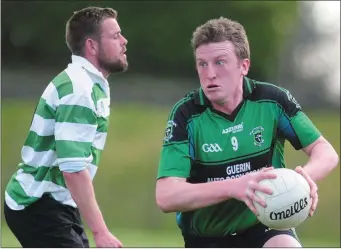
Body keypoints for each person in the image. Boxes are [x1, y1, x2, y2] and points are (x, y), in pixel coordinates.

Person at [155, 17, 339, 248]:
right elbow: (166, 196)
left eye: (220, 62)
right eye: (202, 64)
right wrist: (234, 187)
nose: (210, 73)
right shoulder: (186, 115)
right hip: (206, 238)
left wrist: (303, 178)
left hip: (265, 227)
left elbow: (325, 152)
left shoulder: (272, 101)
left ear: (244, 66)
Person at [4, 6, 128, 248]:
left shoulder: (88, 83)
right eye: (115, 36)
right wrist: (100, 232)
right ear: (92, 46)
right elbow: (73, 169)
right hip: (38, 204)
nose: (124, 41)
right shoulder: (80, 90)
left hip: (55, 203)